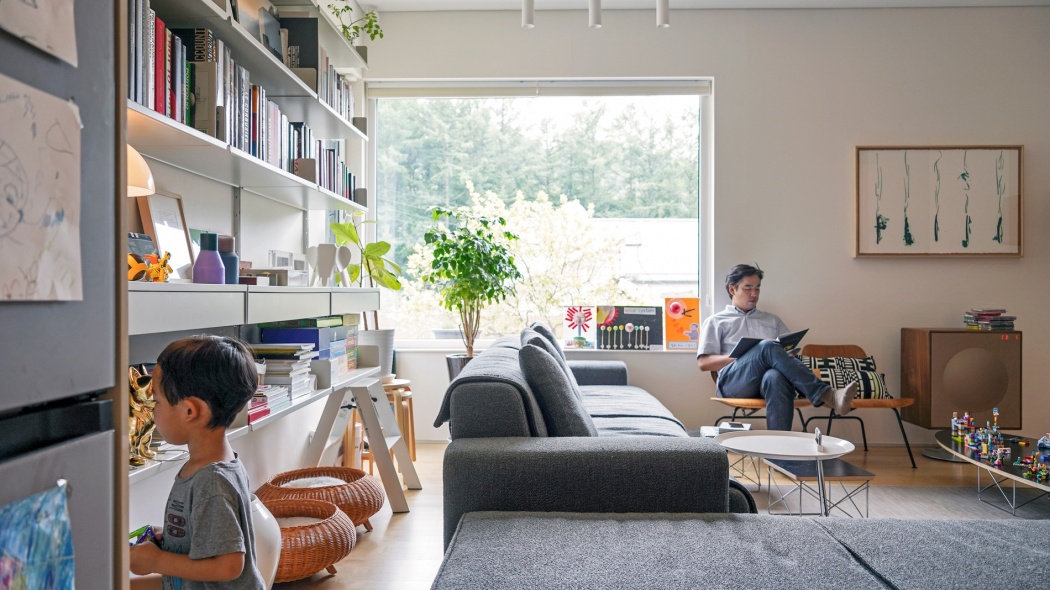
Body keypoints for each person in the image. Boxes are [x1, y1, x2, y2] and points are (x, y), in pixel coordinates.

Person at [130, 335, 265, 590]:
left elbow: (228, 566)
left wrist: (157, 561)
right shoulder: (213, 465)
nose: (152, 410)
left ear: (190, 411)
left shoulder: (211, 481)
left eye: (157, 401)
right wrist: (170, 540)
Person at [697, 264, 855, 431]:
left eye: (758, 288)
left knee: (775, 376)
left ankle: (779, 451)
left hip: (767, 382)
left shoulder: (772, 320)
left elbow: (788, 352)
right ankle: (827, 395)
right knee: (765, 346)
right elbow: (703, 363)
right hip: (733, 383)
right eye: (748, 288)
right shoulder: (716, 321)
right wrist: (743, 355)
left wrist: (788, 354)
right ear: (732, 289)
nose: (754, 294)